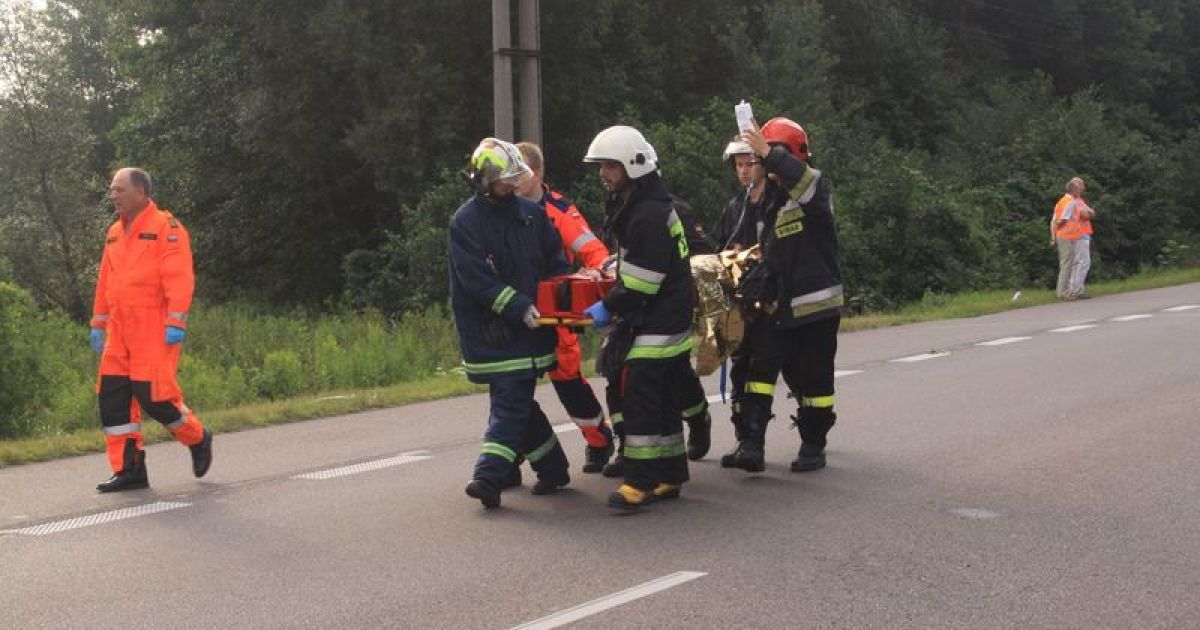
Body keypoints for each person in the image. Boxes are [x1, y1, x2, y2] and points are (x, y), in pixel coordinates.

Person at [450, 138, 572, 508]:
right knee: (514, 403)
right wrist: (518, 306)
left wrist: (561, 298)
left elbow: (555, 261)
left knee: (515, 403)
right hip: (493, 333)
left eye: (515, 178)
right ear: (484, 180)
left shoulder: (531, 215)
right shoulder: (465, 223)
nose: (513, 186)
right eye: (505, 180)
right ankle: (516, 472)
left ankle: (521, 472)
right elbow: (475, 280)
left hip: (534, 330)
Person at [581, 125, 695, 510]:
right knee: (662, 399)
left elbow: (642, 284)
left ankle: (640, 481)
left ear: (633, 165)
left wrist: (607, 307)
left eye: (610, 166)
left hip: (659, 319)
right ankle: (670, 474)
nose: (603, 174)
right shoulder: (643, 205)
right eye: (602, 166)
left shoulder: (646, 213)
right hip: (667, 314)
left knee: (642, 398)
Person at [729, 117, 842, 473]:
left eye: (767, 155)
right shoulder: (768, 198)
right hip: (778, 306)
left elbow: (804, 183)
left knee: (815, 381)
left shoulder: (812, 188)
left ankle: (813, 444)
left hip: (815, 308)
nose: (761, 163)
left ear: (784, 155)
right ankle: (751, 444)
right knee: (760, 371)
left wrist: (768, 152)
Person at [89, 167, 212, 492]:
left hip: (153, 328)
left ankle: (197, 437)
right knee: (113, 399)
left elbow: (179, 278)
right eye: (111, 190)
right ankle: (130, 470)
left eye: (119, 189)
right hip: (118, 329)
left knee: (155, 396)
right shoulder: (114, 231)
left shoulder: (166, 228)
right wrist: (98, 323)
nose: (112, 195)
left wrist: (175, 322)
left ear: (141, 192)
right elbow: (106, 281)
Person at [513, 141, 615, 475]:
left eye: (521, 172)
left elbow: (595, 253)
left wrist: (595, 276)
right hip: (515, 311)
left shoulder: (558, 211)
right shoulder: (501, 207)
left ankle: (599, 440)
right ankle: (511, 453)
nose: (513, 180)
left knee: (567, 380)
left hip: (554, 311)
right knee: (512, 389)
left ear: (538, 173)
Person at [710, 136, 774, 469]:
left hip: (769, 307)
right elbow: (717, 250)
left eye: (749, 163)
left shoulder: (775, 205)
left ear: (764, 164)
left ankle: (755, 444)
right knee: (739, 372)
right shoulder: (734, 209)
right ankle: (743, 441)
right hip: (738, 306)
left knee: (761, 373)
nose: (743, 171)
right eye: (738, 165)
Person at [1051, 177, 1095, 300]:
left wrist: (1054, 233)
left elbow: (1055, 218)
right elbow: (1062, 219)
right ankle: (1063, 292)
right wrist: (1057, 229)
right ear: (1073, 190)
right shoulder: (1070, 202)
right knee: (1068, 264)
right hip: (1067, 235)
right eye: (1079, 188)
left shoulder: (1063, 201)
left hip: (1070, 235)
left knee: (1069, 263)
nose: (1081, 190)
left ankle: (1067, 291)